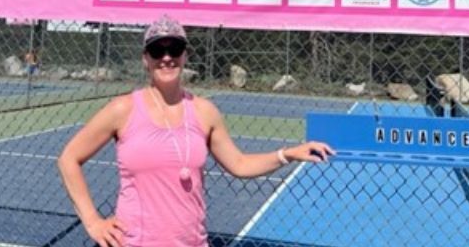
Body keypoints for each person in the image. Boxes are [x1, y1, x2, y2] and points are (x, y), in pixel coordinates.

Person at [57, 15, 335, 247]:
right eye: (157, 51)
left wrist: (288, 153)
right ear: (146, 59)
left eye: (174, 49)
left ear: (185, 55)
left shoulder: (204, 111)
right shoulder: (123, 109)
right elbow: (69, 158)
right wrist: (92, 221)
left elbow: (239, 164)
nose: (166, 58)